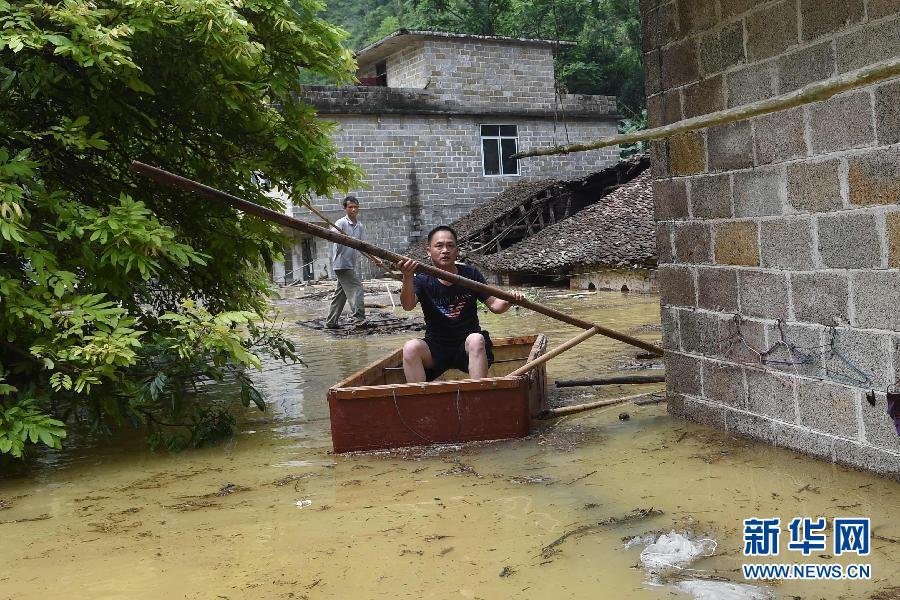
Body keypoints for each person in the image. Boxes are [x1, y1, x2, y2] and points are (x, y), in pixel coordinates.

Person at [397, 225, 523, 382]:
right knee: (410, 348)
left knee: (477, 339)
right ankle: (421, 401)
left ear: (457, 251)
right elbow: (407, 306)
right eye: (439, 246)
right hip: (436, 347)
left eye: (450, 245)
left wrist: (510, 299)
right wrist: (407, 277)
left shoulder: (470, 275)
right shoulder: (422, 279)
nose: (445, 250)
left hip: (467, 346)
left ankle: (478, 395)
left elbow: (495, 306)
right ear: (429, 251)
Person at [325, 195, 382, 329]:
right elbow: (330, 237)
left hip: (350, 264)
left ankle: (331, 322)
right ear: (345, 209)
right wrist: (342, 237)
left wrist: (375, 259)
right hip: (341, 264)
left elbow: (363, 247)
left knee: (340, 296)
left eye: (356, 207)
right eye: (350, 207)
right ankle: (359, 319)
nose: (353, 209)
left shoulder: (359, 226)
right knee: (356, 288)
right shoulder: (341, 223)